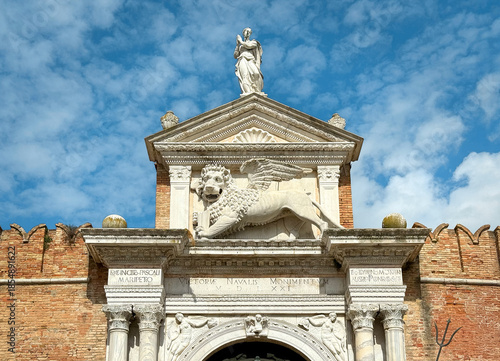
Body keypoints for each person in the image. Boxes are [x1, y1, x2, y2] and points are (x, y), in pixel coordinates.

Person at [234, 27, 264, 94]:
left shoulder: (253, 42)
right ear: (243, 33)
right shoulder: (241, 46)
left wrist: (241, 41)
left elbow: (249, 46)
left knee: (256, 73)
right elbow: (235, 55)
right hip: (242, 59)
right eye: (246, 31)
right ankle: (247, 92)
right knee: (245, 76)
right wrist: (237, 44)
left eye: (249, 32)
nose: (247, 33)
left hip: (251, 60)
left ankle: (255, 89)